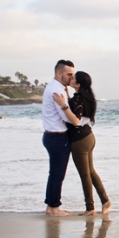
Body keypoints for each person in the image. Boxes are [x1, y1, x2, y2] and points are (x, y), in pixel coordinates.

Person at [53, 71, 112, 216]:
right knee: (91, 172)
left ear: (78, 84)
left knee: (85, 175)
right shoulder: (86, 97)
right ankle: (105, 201)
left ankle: (90, 208)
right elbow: (78, 109)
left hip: (79, 141)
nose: (70, 78)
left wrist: (63, 105)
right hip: (88, 137)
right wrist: (68, 96)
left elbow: (75, 120)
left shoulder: (78, 99)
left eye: (73, 78)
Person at [42, 59, 75, 216]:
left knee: (54, 173)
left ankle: (51, 206)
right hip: (57, 137)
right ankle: (54, 208)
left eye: (73, 74)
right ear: (59, 73)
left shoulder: (56, 87)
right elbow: (66, 117)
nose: (72, 78)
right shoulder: (57, 91)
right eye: (69, 74)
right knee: (57, 174)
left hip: (52, 135)